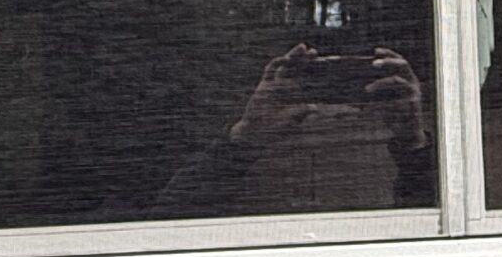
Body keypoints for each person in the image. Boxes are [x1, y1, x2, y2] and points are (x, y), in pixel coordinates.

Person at [153, 42, 432, 217]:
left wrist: (412, 141)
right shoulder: (235, 165)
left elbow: (437, 227)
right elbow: (166, 224)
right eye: (315, 75)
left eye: (355, 73)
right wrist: (245, 139)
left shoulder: (404, 164)